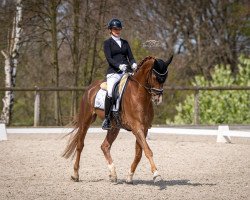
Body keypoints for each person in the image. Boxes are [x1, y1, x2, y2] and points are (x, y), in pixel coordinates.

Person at [102, 18, 137, 130]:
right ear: (111, 30)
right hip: (114, 72)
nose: (117, 30)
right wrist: (118, 66)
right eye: (115, 29)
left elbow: (130, 57)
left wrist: (134, 64)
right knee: (111, 91)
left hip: (127, 71)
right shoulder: (107, 43)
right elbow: (109, 59)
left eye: (119, 29)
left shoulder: (125, 42)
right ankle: (107, 119)